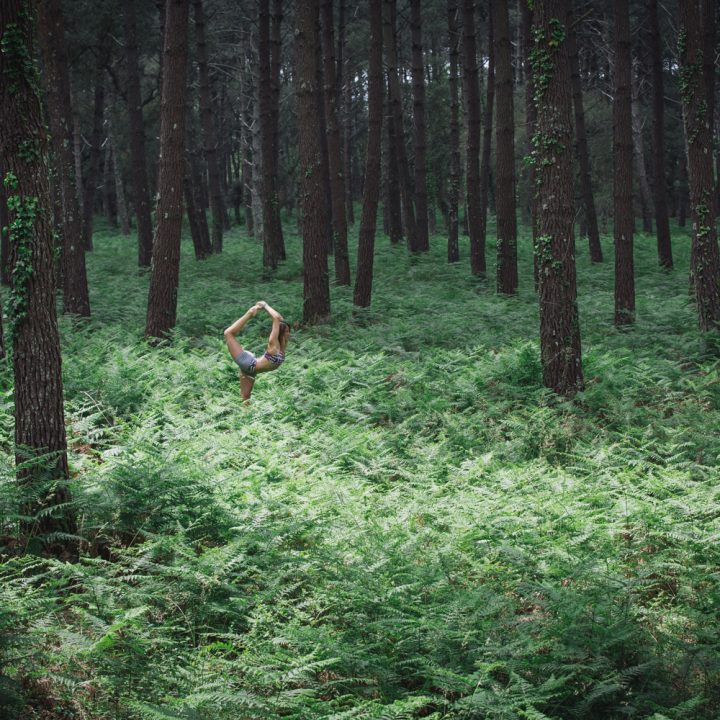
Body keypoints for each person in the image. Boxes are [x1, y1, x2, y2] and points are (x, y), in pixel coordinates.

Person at [224, 301, 290, 400]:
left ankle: (246, 415)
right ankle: (249, 314)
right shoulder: (273, 344)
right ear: (282, 332)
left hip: (251, 370)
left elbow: (279, 318)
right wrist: (265, 306)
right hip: (248, 364)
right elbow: (276, 318)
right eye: (287, 331)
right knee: (228, 333)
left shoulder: (282, 346)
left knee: (245, 397)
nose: (289, 333)